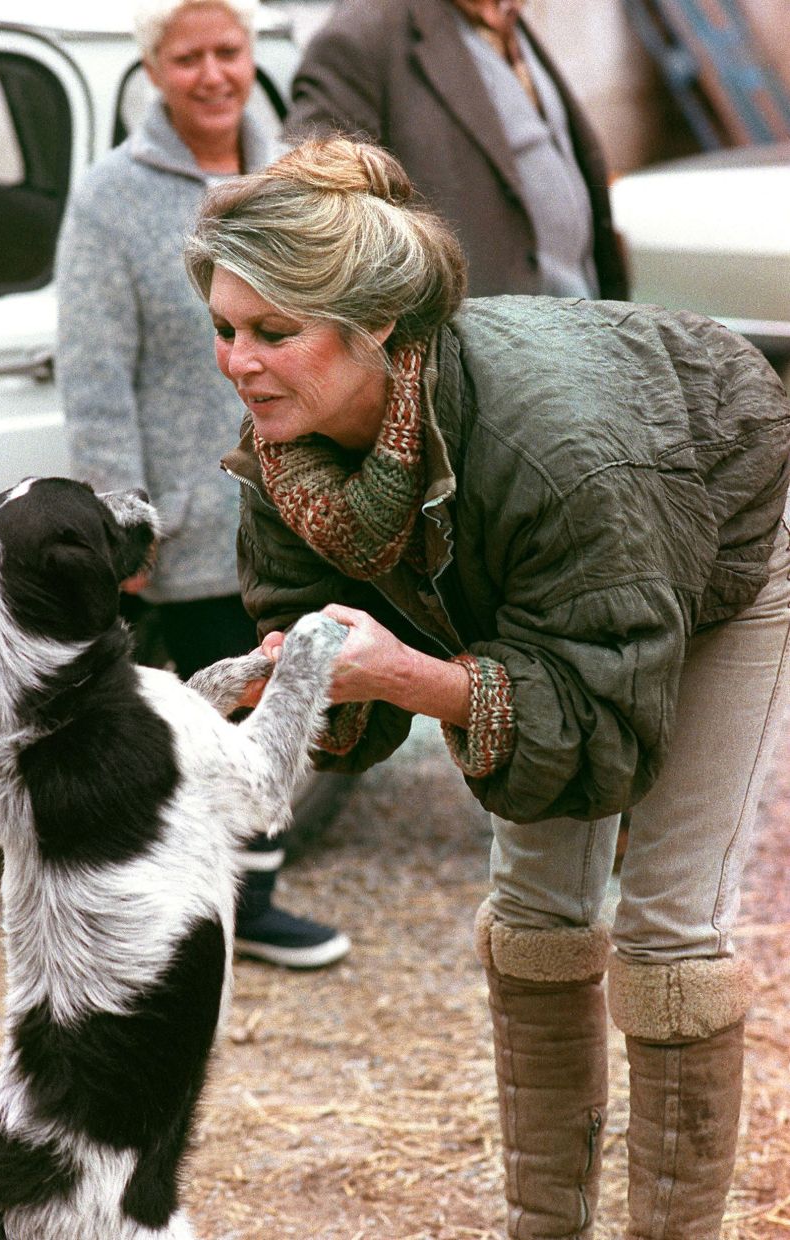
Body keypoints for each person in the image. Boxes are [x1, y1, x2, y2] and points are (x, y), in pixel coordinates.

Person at [183, 136, 790, 1237]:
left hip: (711, 545)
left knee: (662, 931)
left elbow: (599, 724)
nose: (238, 362)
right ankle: (542, 1223)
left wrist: (410, 674)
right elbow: (314, 631)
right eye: (225, 328)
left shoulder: (560, 452)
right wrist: (297, 681)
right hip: (559, 581)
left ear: (374, 331)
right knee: (534, 913)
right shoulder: (290, 442)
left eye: (272, 333)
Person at [55, 0, 350, 970]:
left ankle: (245, 898)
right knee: (207, 715)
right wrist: (119, 520)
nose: (214, 74)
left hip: (298, 501)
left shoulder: (292, 182)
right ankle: (211, 906)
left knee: (289, 688)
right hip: (188, 520)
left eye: (229, 51)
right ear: (154, 68)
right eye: (189, 57)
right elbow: (93, 369)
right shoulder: (110, 196)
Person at [285, 0, 628, 301]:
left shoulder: (504, 16)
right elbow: (313, 193)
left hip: (579, 326)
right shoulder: (365, 29)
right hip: (475, 348)